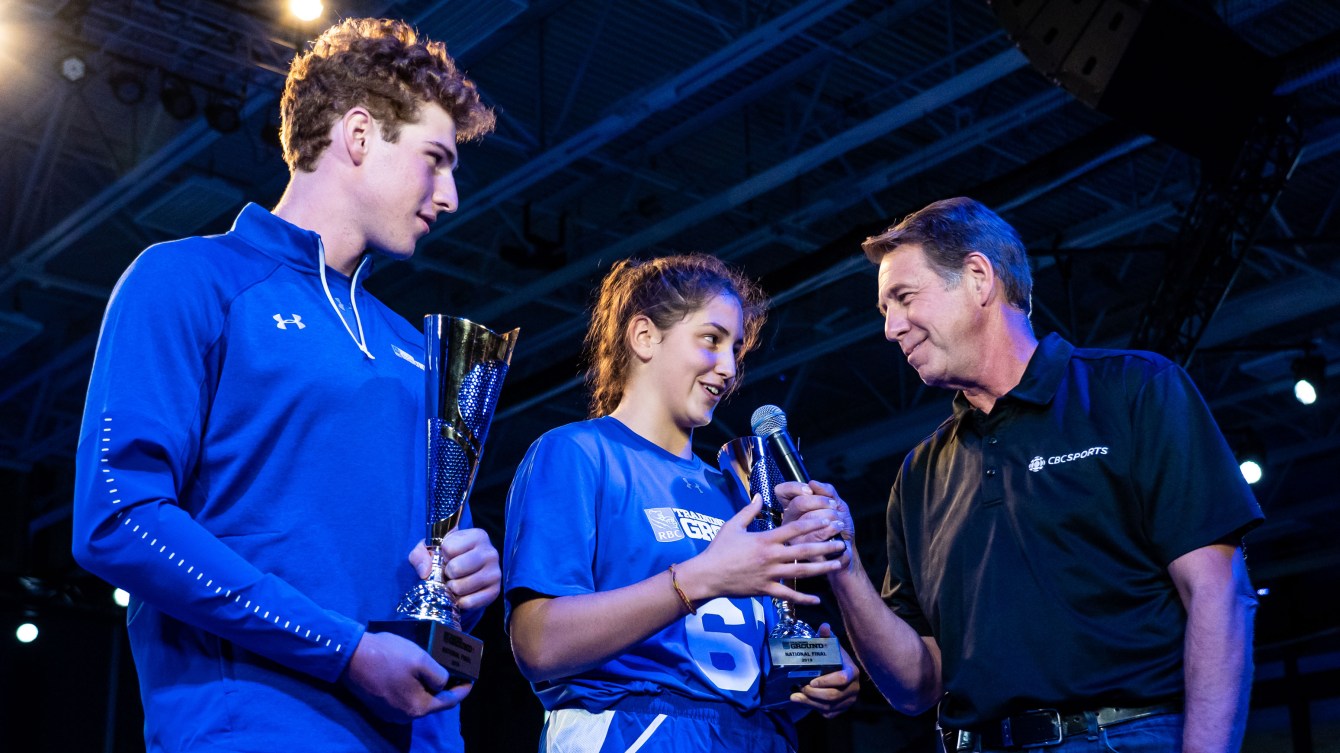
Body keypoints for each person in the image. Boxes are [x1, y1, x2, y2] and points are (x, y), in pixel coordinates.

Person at [72, 18, 500, 753]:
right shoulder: (189, 279)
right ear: (359, 135)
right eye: (436, 159)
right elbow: (117, 515)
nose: (451, 195)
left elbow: (413, 560)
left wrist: (465, 573)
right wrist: (345, 648)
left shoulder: (420, 352)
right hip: (254, 729)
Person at [780, 197, 1264, 753]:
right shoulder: (919, 474)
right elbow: (915, 688)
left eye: (904, 299)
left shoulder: (1135, 391)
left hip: (1121, 737)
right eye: (884, 310)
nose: (891, 328)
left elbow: (1218, 593)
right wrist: (843, 565)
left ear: (978, 278)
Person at [503, 254, 861, 752]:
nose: (730, 368)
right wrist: (698, 579)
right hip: (633, 730)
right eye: (711, 340)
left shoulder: (737, 490)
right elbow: (538, 644)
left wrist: (813, 676)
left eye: (736, 348)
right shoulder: (580, 453)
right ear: (645, 336)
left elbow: (735, 677)